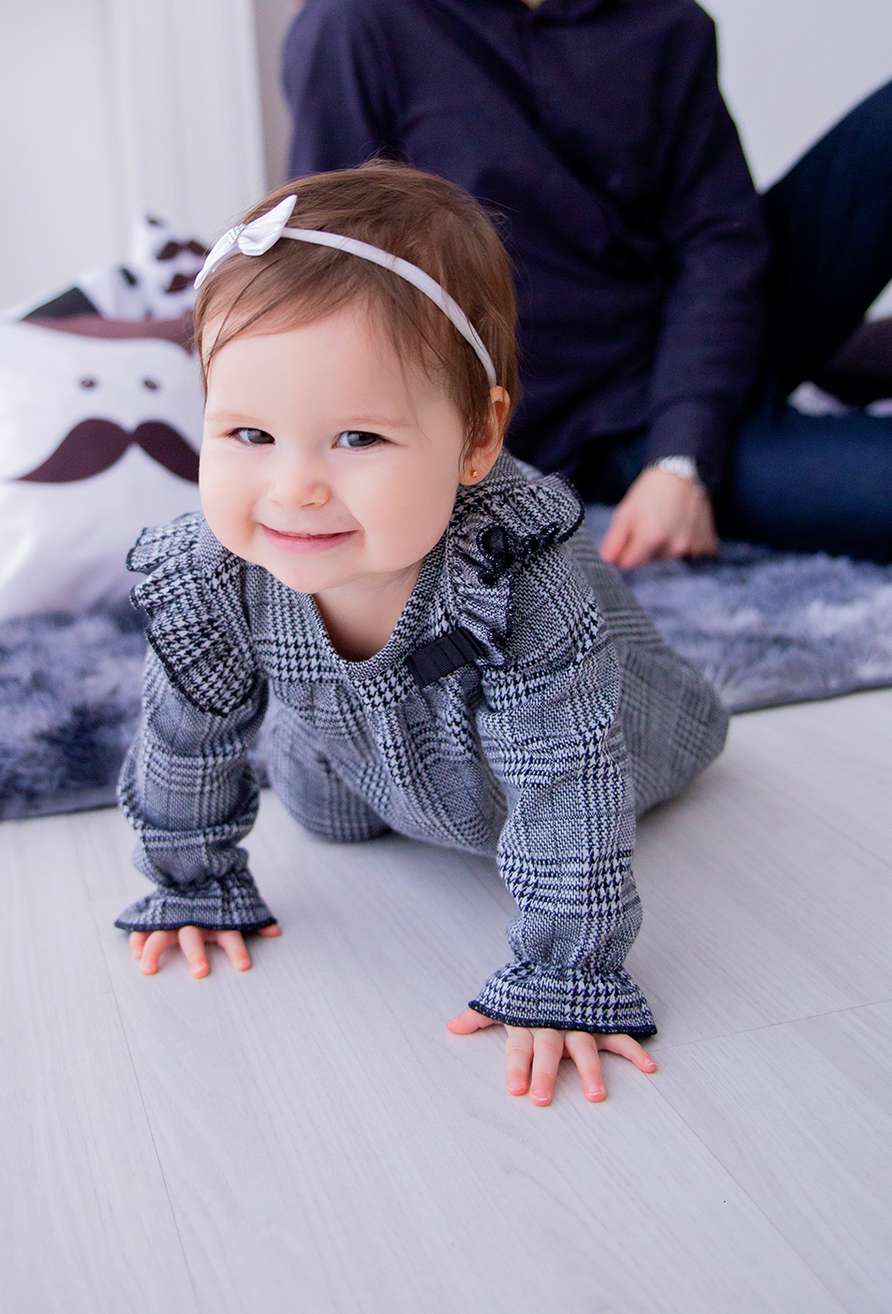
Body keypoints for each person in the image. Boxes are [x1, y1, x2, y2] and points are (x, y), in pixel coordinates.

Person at [117, 164, 728, 1105]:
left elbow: (569, 780)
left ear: (477, 439)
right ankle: (355, 770)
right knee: (323, 815)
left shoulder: (513, 575)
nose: (293, 488)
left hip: (576, 749)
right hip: (353, 753)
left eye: (357, 439)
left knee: (621, 752)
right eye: (248, 436)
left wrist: (565, 974)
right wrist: (189, 880)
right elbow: (184, 736)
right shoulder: (216, 575)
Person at [283, 0, 892, 566]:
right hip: (574, 427)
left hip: (707, 350)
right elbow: (336, 290)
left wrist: (684, 457)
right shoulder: (357, 24)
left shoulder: (667, 26)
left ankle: (811, 381)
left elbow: (721, 243)